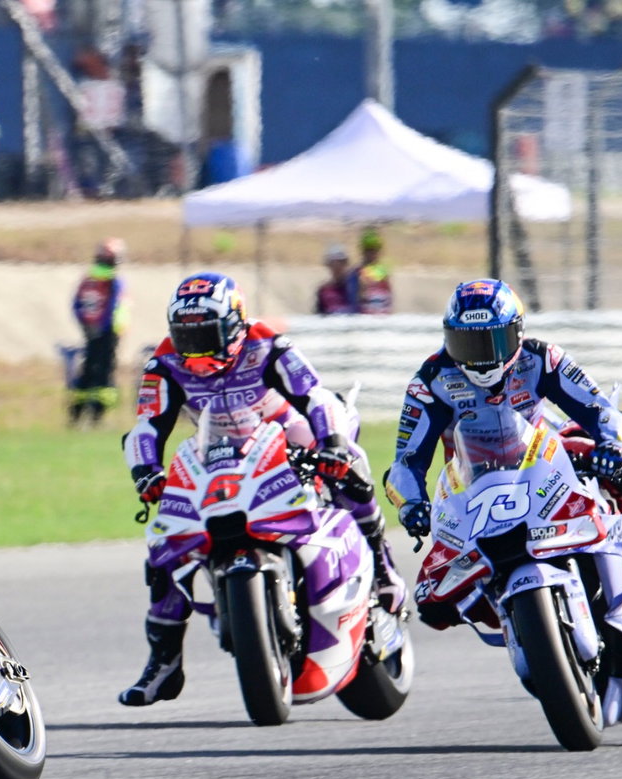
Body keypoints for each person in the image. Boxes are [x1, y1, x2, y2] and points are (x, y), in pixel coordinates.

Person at [118, 272, 406, 706]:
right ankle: (165, 661)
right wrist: (147, 473)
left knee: (352, 469)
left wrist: (331, 445)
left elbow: (315, 395)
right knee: (165, 541)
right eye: (185, 335)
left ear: (234, 325)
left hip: (289, 436)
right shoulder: (164, 364)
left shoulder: (269, 346)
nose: (193, 347)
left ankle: (383, 568)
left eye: (205, 334)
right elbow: (147, 426)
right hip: (218, 451)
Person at [383, 279, 622, 634]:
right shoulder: (431, 380)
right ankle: (514, 617)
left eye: (492, 341)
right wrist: (411, 505)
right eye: (467, 342)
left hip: (547, 459)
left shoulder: (541, 358)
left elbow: (599, 409)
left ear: (517, 333)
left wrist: (614, 445)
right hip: (474, 487)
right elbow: (405, 461)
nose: (481, 357)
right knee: (433, 605)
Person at [69, 238, 129, 426]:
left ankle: (76, 414)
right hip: (107, 334)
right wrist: (102, 328)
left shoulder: (88, 279)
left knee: (87, 370)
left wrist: (86, 326)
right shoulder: (113, 281)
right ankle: (97, 415)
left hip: (90, 332)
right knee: (103, 373)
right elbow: (112, 307)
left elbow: (76, 305)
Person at [347, 228, 394, 315]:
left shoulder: (383, 271)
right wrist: (362, 290)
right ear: (363, 251)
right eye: (368, 250)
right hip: (364, 316)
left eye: (374, 249)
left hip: (382, 315)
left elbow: (388, 297)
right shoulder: (356, 272)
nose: (372, 253)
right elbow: (352, 300)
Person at [314, 244, 355, 315]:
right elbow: (319, 315)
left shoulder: (355, 287)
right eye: (333, 263)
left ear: (345, 263)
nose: (337, 266)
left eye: (340, 263)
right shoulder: (324, 290)